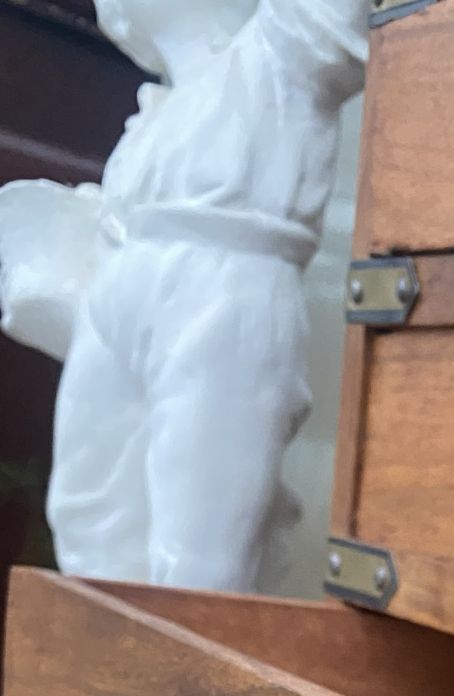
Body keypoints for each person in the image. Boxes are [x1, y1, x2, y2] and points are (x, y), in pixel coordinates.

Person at [0, 0, 368, 590]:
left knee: (203, 544)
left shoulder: (277, 54)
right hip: (121, 289)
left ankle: (188, 671)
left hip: (224, 283)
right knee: (89, 515)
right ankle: (106, 662)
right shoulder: (152, 117)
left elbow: (327, 18)